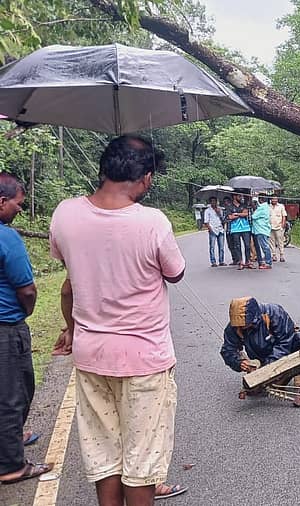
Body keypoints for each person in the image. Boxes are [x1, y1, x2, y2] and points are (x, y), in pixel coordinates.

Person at [49, 136, 187, 505]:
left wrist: (72, 327)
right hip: (144, 358)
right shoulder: (152, 222)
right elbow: (175, 272)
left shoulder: (64, 213)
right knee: (140, 460)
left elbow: (70, 278)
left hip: (91, 355)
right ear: (145, 177)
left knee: (104, 455)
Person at [0, 173, 53, 485]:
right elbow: (27, 289)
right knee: (13, 394)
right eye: (17, 205)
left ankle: (12, 439)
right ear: (2, 201)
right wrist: (26, 313)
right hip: (6, 328)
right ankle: (10, 464)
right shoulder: (7, 237)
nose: (20, 210)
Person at [220, 297, 300, 373]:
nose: (241, 327)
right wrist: (239, 362)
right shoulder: (235, 326)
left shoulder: (275, 312)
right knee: (256, 389)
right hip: (260, 356)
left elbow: (285, 342)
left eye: (244, 324)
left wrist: (268, 365)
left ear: (254, 317)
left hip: (284, 350)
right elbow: (228, 349)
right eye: (238, 325)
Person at [226, 194, 253, 270]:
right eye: (239, 196)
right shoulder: (229, 206)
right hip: (235, 229)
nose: (241, 198)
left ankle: (248, 261)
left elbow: (246, 214)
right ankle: (241, 262)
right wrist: (241, 214)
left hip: (245, 228)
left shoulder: (243, 205)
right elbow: (230, 217)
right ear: (234, 197)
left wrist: (236, 214)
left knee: (247, 245)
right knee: (237, 246)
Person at [251, 195, 273, 269]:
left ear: (261, 199)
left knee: (265, 247)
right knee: (265, 246)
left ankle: (268, 262)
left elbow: (253, 216)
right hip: (263, 229)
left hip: (261, 229)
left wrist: (254, 208)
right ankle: (267, 261)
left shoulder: (262, 208)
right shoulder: (266, 207)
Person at [204, 197, 226, 267]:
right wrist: (210, 230)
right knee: (212, 247)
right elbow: (206, 222)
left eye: (215, 201)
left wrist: (219, 213)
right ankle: (213, 262)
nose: (214, 203)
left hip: (220, 230)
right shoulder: (207, 211)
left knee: (221, 247)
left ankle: (221, 261)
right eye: (212, 201)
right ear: (210, 202)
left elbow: (223, 220)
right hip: (213, 230)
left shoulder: (220, 209)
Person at [222, 194, 240, 265]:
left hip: (234, 229)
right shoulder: (224, 210)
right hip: (227, 230)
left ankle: (238, 259)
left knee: (236, 245)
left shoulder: (232, 208)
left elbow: (234, 217)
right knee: (230, 245)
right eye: (225, 202)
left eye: (227, 201)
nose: (226, 203)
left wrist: (229, 218)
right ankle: (234, 259)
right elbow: (223, 220)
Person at [268, 195, 287, 262]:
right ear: (271, 199)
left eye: (275, 199)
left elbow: (284, 216)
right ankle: (274, 255)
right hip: (270, 227)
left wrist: (283, 225)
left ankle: (281, 255)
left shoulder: (281, 206)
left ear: (277, 200)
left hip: (279, 226)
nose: (274, 200)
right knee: (271, 242)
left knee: (280, 242)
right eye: (273, 199)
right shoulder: (268, 207)